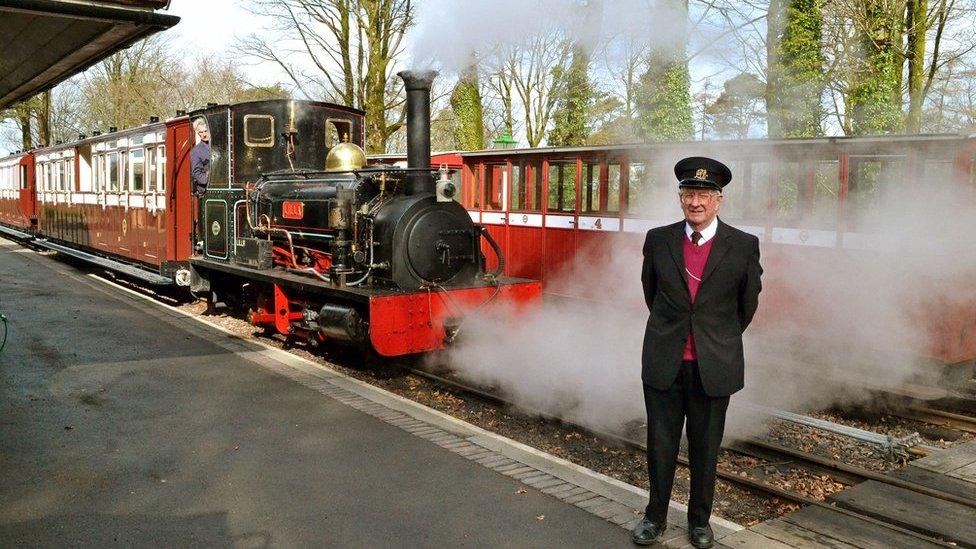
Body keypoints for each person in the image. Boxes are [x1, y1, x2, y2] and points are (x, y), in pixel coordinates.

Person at [631, 157, 762, 548]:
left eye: (704, 194)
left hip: (713, 365)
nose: (696, 202)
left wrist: (712, 338)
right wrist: (677, 331)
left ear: (719, 200)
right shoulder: (659, 239)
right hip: (664, 362)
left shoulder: (743, 246)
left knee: (706, 450)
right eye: (689, 193)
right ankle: (654, 518)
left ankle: (700, 522)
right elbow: (650, 293)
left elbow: (746, 306)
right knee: (661, 446)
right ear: (680, 198)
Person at [190, 117, 210, 197]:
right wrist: (208, 180)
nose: (204, 135)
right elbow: (196, 173)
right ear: (198, 133)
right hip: (205, 190)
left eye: (205, 131)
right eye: (201, 132)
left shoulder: (217, 146)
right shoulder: (196, 151)